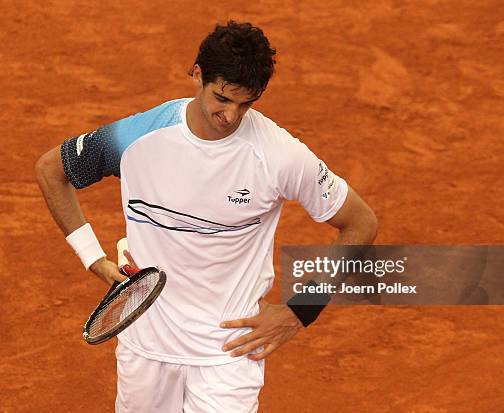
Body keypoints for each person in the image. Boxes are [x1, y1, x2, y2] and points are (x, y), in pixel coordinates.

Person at [36, 20, 377, 413]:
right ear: (197, 74)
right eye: (221, 98)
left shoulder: (279, 155)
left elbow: (360, 222)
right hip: (145, 346)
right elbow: (51, 170)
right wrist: (92, 258)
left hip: (228, 353)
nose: (231, 116)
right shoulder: (139, 136)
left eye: (245, 104)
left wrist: (300, 312)